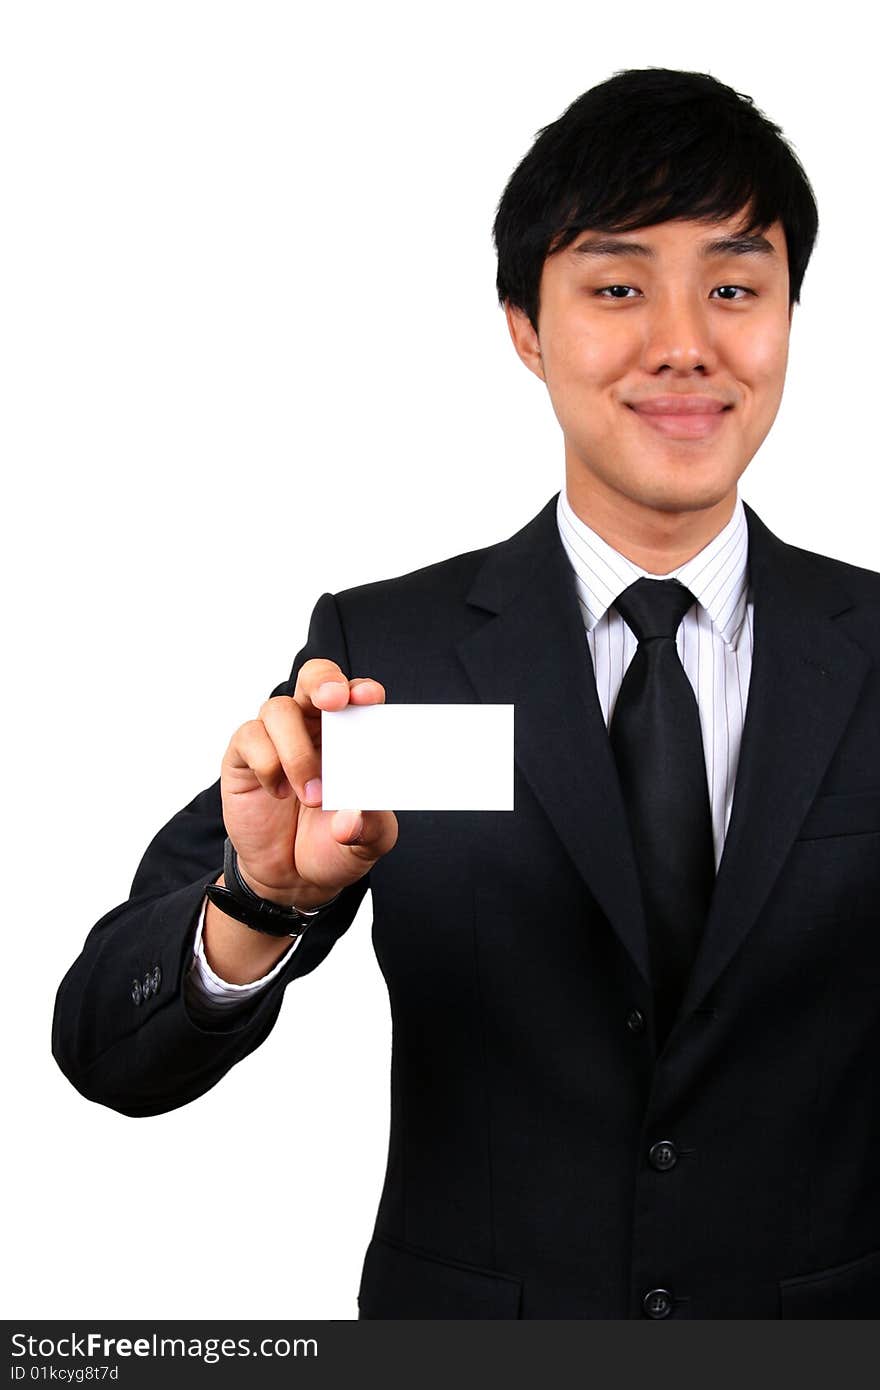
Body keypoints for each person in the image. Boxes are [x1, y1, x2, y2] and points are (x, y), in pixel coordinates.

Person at [52, 67, 880, 1319]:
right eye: (616, 287)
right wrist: (257, 899)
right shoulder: (395, 651)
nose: (684, 344)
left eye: (732, 287)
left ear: (786, 317)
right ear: (524, 328)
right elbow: (111, 1049)